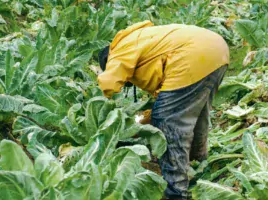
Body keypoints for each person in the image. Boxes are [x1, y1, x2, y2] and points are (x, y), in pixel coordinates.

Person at [97, 20, 229, 200]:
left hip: (191, 56)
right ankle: (197, 158)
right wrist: (137, 124)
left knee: (168, 124)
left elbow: (108, 84)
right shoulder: (143, 42)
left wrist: (101, 116)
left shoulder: (119, 49)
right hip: (216, 50)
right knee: (197, 112)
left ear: (108, 59)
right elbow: (168, 105)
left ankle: (176, 191)